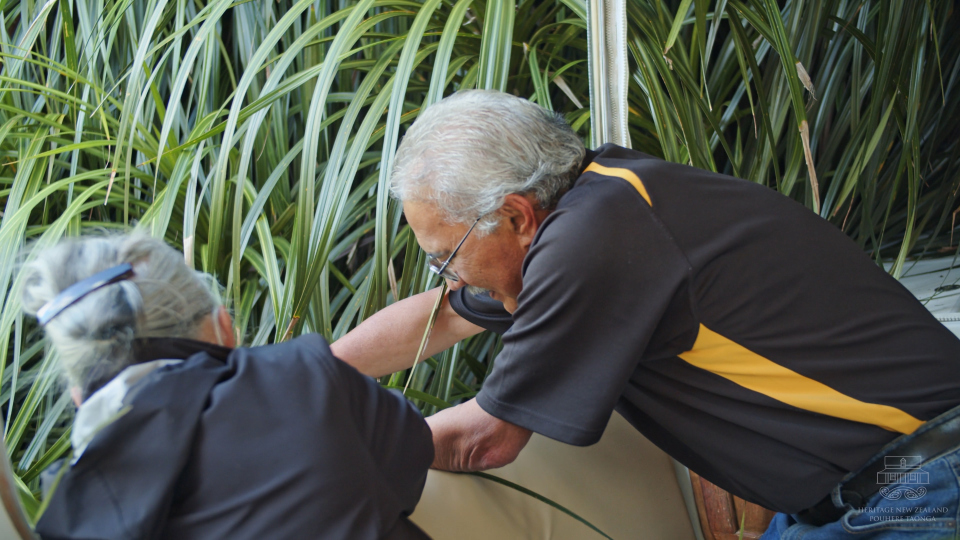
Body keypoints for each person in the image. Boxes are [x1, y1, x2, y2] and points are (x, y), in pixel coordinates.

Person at [331, 89, 960, 538]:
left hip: (920, 477)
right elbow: (442, 318)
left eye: (448, 256)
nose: (450, 276)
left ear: (517, 216)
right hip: (873, 488)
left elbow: (484, 439)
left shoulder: (592, 244)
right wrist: (305, 373)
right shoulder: (604, 200)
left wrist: (328, 453)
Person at [20, 233, 434, 540]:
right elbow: (413, 454)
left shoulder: (67, 515)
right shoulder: (300, 378)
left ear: (77, 396)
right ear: (223, 326)